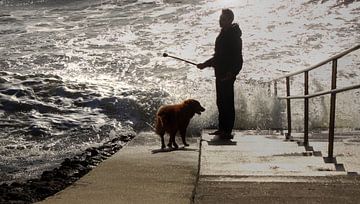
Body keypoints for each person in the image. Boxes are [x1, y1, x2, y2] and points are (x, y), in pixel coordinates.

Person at [197, 8, 243, 140]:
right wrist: (205, 64)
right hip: (220, 74)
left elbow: (238, 59)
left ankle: (227, 131)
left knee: (227, 103)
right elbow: (218, 57)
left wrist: (233, 73)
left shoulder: (234, 37)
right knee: (220, 102)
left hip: (228, 75)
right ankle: (222, 128)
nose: (220, 20)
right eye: (220, 18)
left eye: (223, 18)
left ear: (229, 20)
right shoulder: (222, 35)